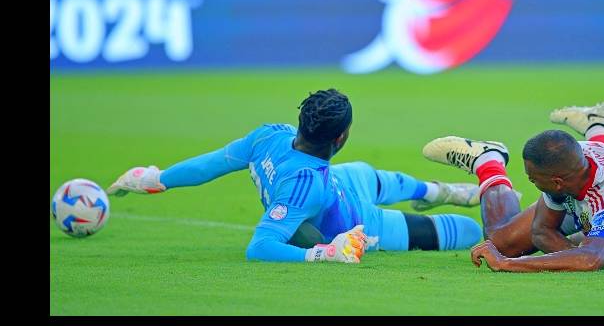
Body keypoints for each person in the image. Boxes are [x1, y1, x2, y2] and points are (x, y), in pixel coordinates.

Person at [107, 89, 483, 263]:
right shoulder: (304, 188)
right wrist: (324, 253)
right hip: (360, 222)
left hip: (342, 181)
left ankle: (440, 190)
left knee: (371, 175)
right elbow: (260, 247)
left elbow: (214, 163)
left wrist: (158, 178)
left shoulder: (270, 135)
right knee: (466, 233)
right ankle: (442, 196)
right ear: (341, 137)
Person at [422, 102, 604, 272]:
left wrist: (507, 264)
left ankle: (488, 163)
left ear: (556, 180)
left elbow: (592, 259)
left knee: (507, 249)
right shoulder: (574, 158)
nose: (532, 183)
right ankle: (598, 128)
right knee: (502, 242)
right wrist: (569, 253)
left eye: (535, 179)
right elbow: (541, 230)